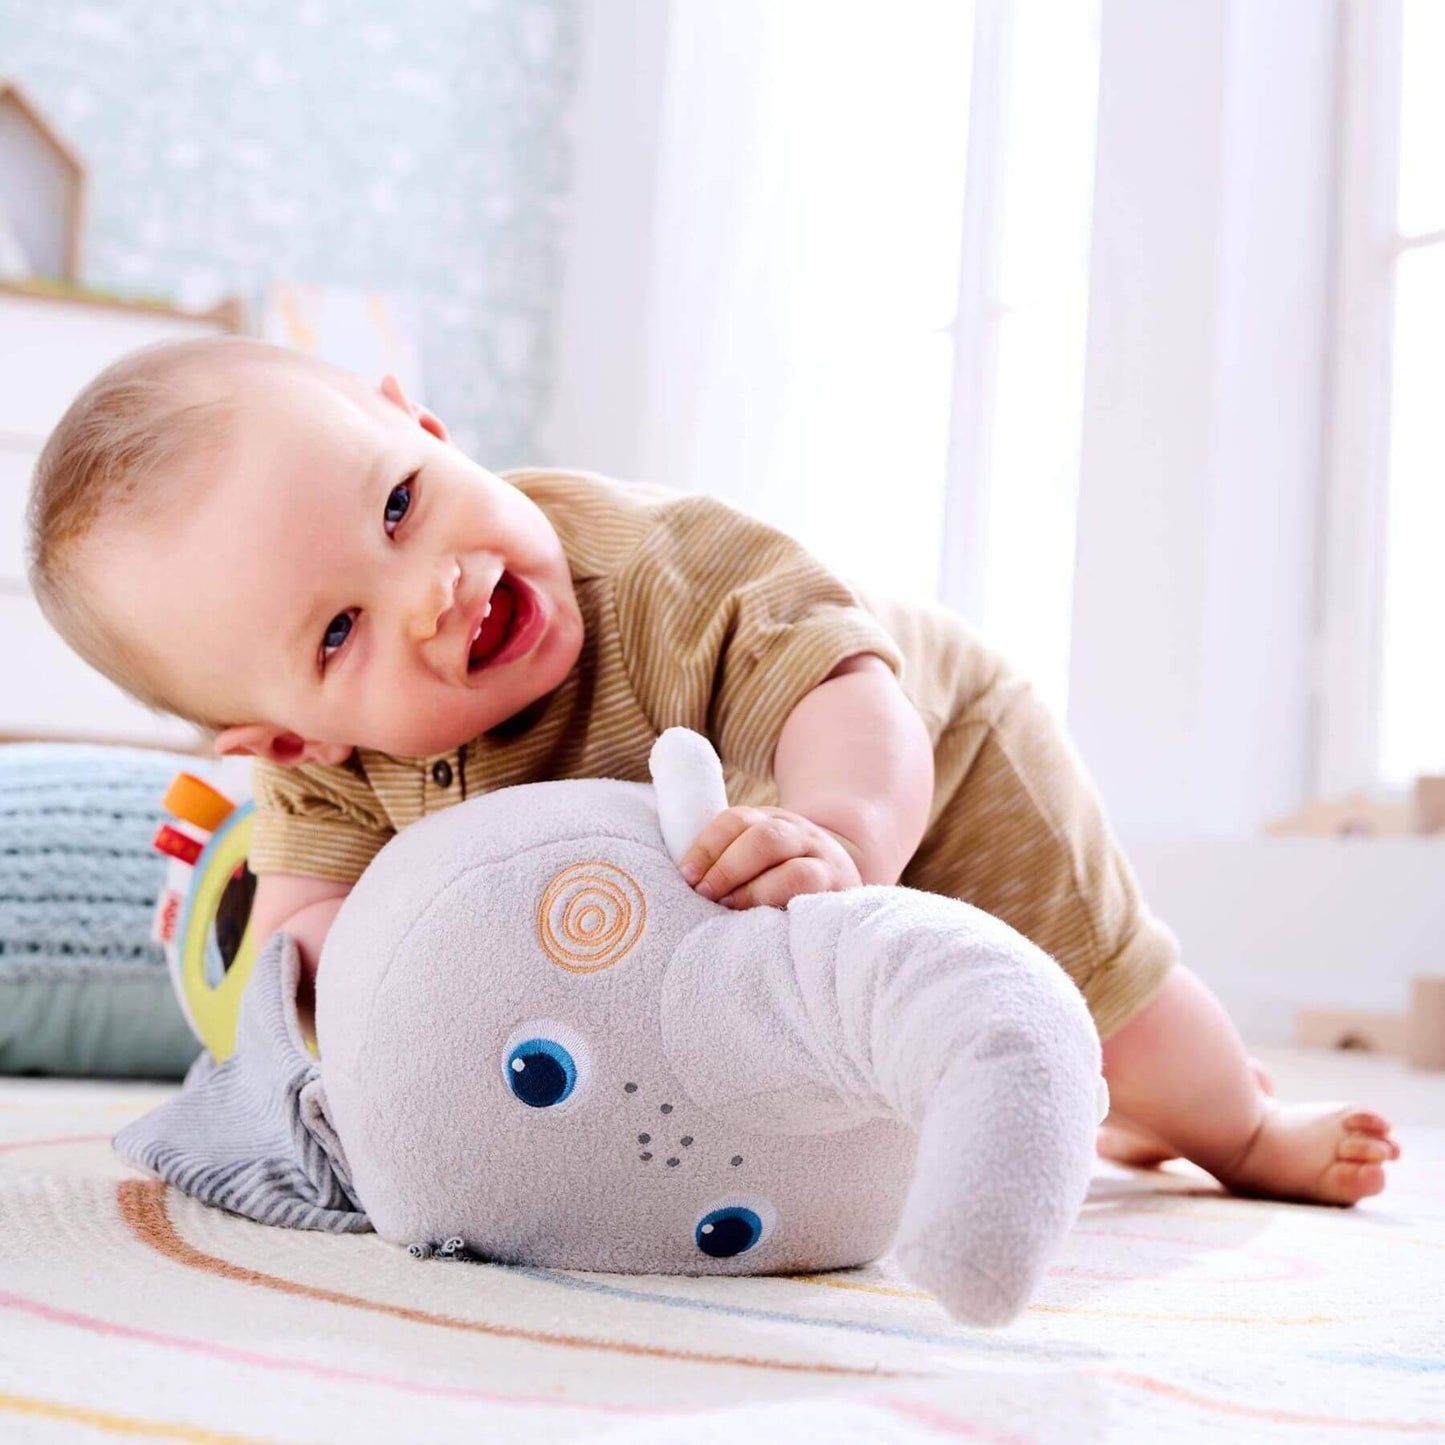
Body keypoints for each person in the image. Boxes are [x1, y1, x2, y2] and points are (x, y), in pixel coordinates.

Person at [26, 336, 1399, 1206]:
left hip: (918, 747)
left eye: (396, 504)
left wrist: (842, 834)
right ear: (286, 740)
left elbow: (847, 694)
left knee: (1102, 1006)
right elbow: (314, 945)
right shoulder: (319, 786)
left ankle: (1236, 1132)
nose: (432, 589)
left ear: (427, 425)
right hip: (741, 849)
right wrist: (317, 1030)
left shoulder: (668, 573)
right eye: (339, 629)